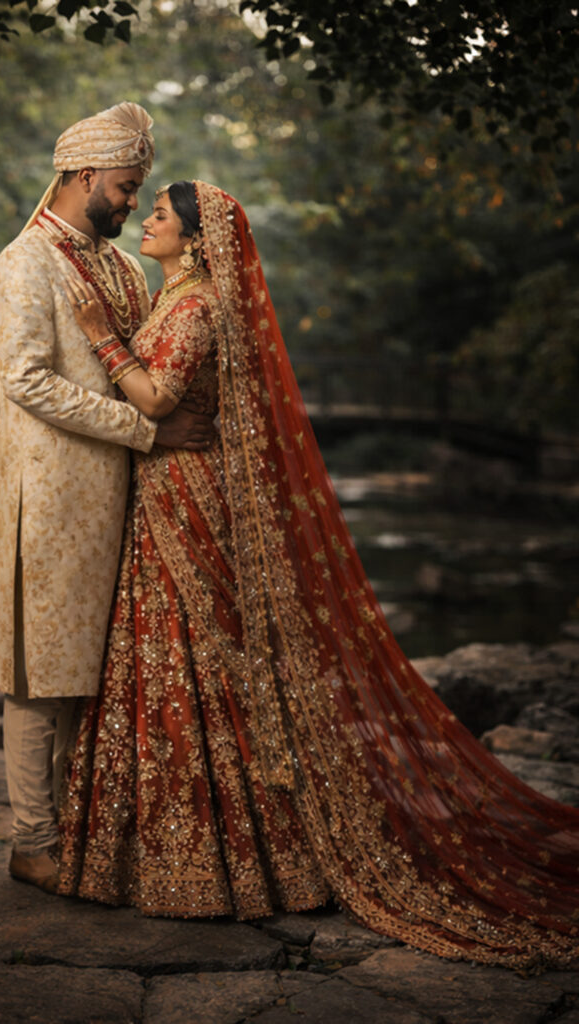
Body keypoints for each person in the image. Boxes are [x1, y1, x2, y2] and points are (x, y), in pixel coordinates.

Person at [56, 179, 579, 969]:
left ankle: (243, 858)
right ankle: (176, 856)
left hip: (188, 494)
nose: (147, 220)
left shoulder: (196, 307)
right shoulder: (173, 299)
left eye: (159, 213)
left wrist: (101, 337)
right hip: (164, 490)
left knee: (201, 657)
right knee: (167, 652)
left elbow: (158, 397)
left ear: (195, 239)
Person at [0, 106, 215, 894]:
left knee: (96, 672)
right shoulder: (24, 263)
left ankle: (86, 837)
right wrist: (145, 431)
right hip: (49, 494)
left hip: (124, 496)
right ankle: (32, 843)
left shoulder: (120, 267)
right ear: (84, 176)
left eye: (139, 190)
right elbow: (26, 381)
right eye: (124, 188)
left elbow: (147, 366)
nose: (132, 203)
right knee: (39, 673)